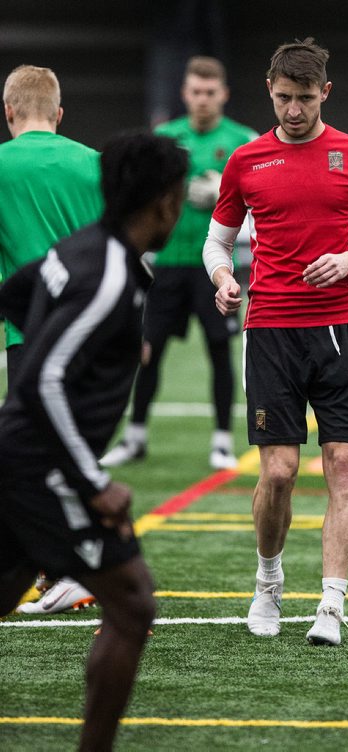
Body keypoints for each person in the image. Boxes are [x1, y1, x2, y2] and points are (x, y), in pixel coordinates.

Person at [203, 38, 348, 645]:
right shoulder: (244, 161)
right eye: (282, 98)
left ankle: (331, 604)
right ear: (269, 90)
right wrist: (223, 279)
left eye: (304, 99)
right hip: (270, 330)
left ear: (325, 93)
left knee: (343, 462)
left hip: (343, 329)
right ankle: (269, 581)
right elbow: (217, 244)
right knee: (280, 473)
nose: (293, 111)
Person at [0, 131, 188, 751]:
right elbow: (41, 379)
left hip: (20, 458)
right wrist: (93, 482)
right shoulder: (109, 272)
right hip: (43, 468)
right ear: (162, 202)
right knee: (132, 604)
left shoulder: (83, 249)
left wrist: (104, 342)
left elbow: (17, 293)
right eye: (180, 197)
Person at [100, 56, 258, 471]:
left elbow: (262, 198)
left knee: (219, 350)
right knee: (148, 351)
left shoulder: (244, 140)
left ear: (223, 94)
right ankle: (135, 436)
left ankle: (222, 440)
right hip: (165, 264)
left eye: (210, 92)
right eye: (196, 91)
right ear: (185, 94)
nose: (203, 99)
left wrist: (224, 187)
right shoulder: (164, 138)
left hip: (216, 266)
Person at [0, 64, 104, 613]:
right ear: (59, 114)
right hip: (93, 332)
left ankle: (68, 569)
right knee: (72, 449)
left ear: (9, 111)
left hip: (31, 335)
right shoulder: (93, 163)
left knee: (27, 456)